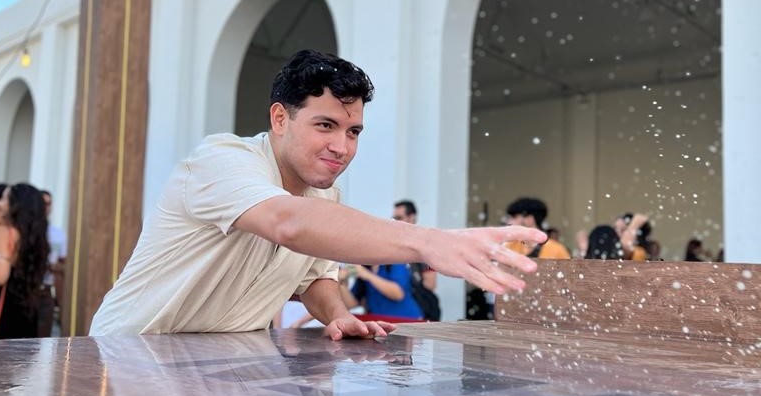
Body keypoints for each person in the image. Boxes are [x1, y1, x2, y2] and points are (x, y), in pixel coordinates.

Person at [89, 50, 545, 340]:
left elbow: (313, 278)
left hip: (221, 364)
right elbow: (286, 222)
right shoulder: (221, 159)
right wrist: (426, 241)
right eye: (325, 125)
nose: (342, 146)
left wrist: (337, 314)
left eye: (353, 131)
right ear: (280, 119)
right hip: (128, 354)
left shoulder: (328, 198)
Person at [0, 183, 50, 339]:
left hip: (3, 312)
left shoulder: (4, 232)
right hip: (27, 311)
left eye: (4, 199)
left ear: (15, 205)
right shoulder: (36, 238)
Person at [339, 263, 423, 321]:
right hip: (380, 323)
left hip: (406, 320)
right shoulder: (365, 268)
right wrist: (341, 281)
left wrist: (367, 275)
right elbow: (351, 304)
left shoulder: (395, 263)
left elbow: (398, 294)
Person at [38, 189, 68, 337]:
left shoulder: (58, 234)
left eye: (49, 203)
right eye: (43, 203)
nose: (46, 207)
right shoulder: (23, 229)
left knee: (43, 340)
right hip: (23, 291)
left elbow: (65, 265)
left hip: (46, 291)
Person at [505, 197, 571, 259]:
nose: (509, 222)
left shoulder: (556, 250)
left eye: (514, 217)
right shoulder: (510, 246)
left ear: (529, 219)